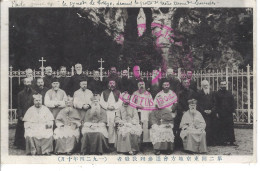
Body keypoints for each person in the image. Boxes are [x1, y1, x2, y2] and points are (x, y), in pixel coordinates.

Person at [14, 78, 36, 150]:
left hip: (32, 114)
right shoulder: (20, 94)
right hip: (23, 114)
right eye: (26, 82)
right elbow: (19, 105)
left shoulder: (34, 93)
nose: (27, 84)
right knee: (21, 128)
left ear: (31, 83)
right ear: (24, 83)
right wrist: (20, 115)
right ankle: (21, 144)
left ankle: (32, 144)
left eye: (29, 82)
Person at [175, 78, 197, 148]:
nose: (186, 84)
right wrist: (182, 111)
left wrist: (191, 110)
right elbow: (178, 103)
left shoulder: (192, 92)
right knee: (181, 127)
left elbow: (195, 102)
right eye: (184, 82)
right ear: (182, 84)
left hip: (190, 112)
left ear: (189, 84)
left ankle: (190, 143)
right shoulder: (179, 93)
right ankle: (180, 144)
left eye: (187, 83)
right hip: (182, 112)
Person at [214, 81, 237, 146]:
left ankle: (231, 141)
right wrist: (217, 112)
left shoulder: (229, 93)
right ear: (220, 85)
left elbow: (233, 103)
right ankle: (222, 141)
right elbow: (215, 104)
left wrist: (233, 111)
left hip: (229, 113)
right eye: (222, 84)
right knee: (221, 127)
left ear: (226, 85)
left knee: (230, 127)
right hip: (221, 113)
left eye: (224, 84)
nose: (223, 85)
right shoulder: (217, 93)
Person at [100, 80, 122, 146]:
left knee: (114, 126)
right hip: (106, 111)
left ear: (115, 84)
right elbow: (101, 102)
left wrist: (114, 107)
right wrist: (107, 107)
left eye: (113, 83)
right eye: (110, 83)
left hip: (115, 111)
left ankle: (114, 143)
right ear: (108, 84)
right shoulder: (104, 92)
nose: (112, 84)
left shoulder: (118, 92)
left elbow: (120, 101)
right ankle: (106, 143)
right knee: (107, 126)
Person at [197, 80, 216, 146]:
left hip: (211, 113)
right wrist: (203, 111)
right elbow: (198, 104)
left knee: (212, 127)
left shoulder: (212, 93)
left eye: (207, 85)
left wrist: (212, 110)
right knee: (204, 127)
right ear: (202, 86)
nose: (206, 86)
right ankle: (204, 142)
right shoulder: (199, 93)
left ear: (209, 85)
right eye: (204, 85)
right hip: (203, 113)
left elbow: (215, 103)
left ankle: (211, 142)